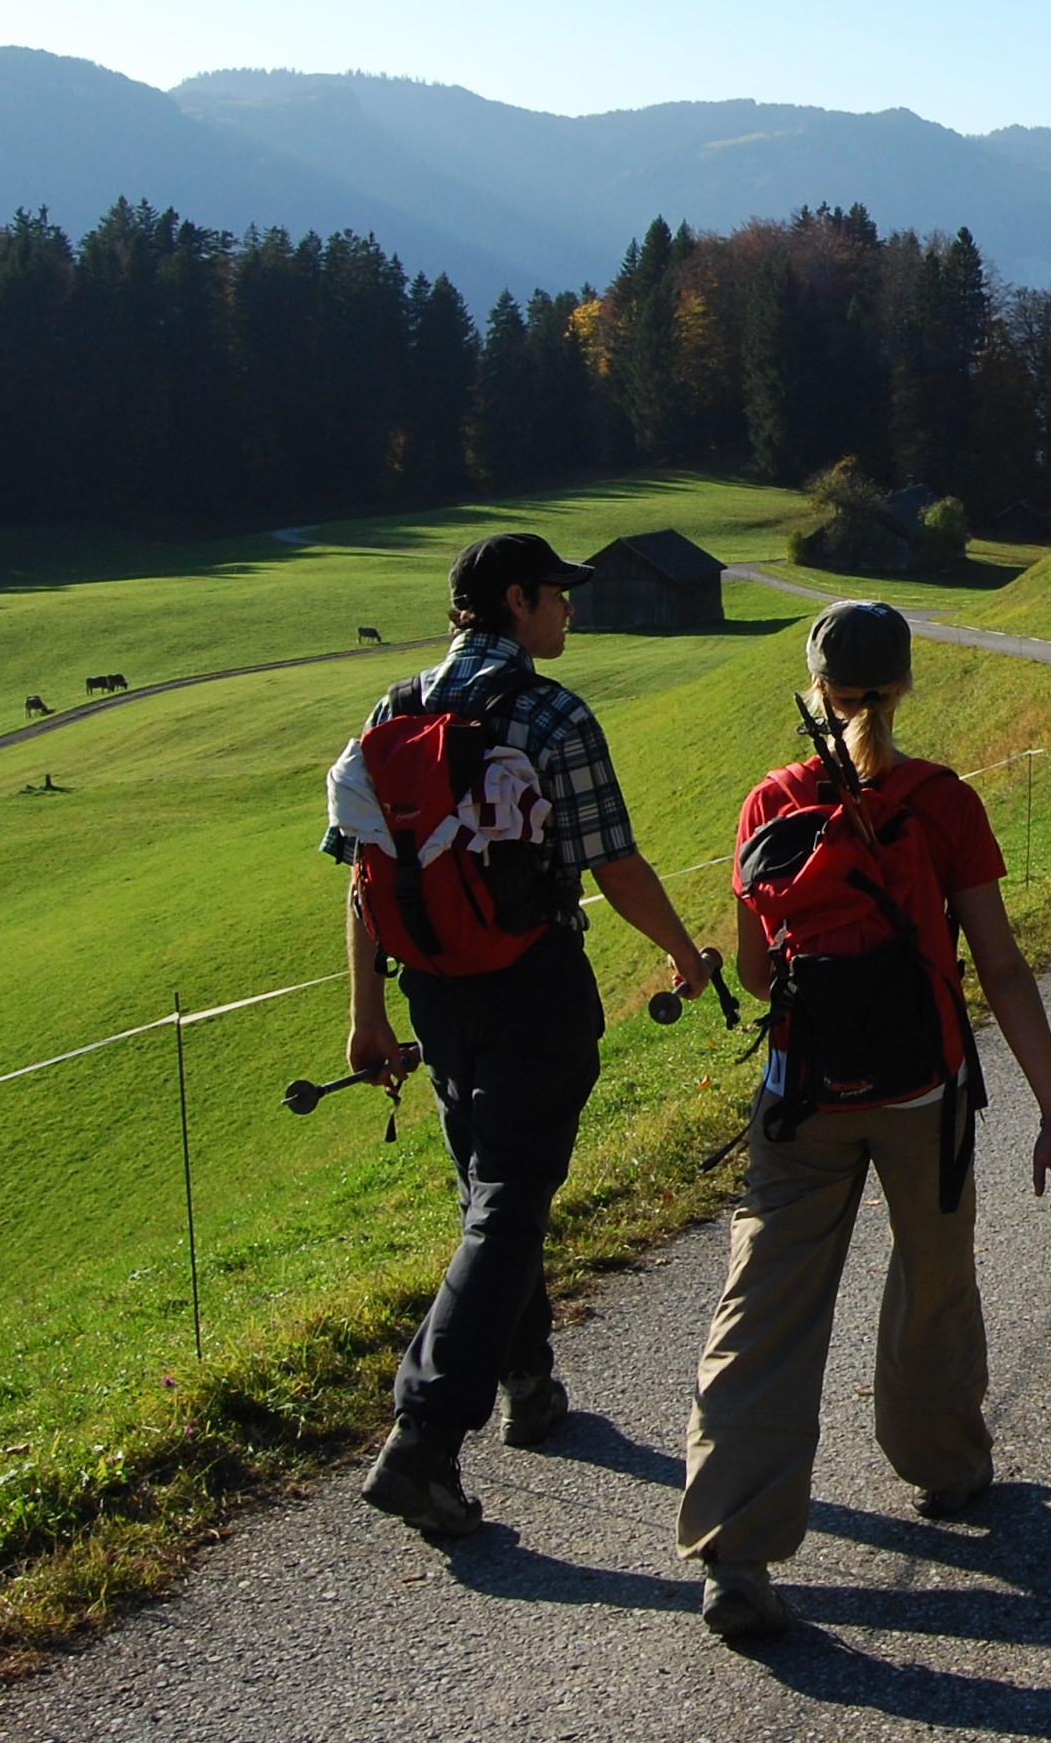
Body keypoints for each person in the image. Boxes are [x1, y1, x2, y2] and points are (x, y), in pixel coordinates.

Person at [677, 598, 1051, 1641]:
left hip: (800, 1095)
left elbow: (763, 970)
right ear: (902, 686)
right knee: (933, 1276)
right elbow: (996, 965)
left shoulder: (766, 802)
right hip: (923, 1092)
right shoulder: (940, 801)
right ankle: (944, 1468)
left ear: (814, 687)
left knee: (764, 1308)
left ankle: (734, 1546)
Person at [345, 530, 712, 1537]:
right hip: (533, 981)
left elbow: (363, 874)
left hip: (433, 990)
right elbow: (615, 863)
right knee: (508, 1199)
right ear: (515, 600)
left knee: (488, 1186)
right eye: (556, 594)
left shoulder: (395, 708)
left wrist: (367, 1014)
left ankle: (530, 1381)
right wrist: (684, 956)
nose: (568, 610)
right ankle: (423, 1439)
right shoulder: (552, 712)